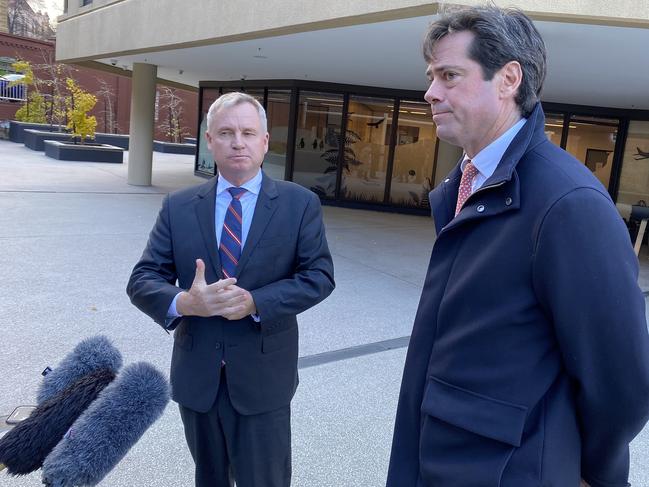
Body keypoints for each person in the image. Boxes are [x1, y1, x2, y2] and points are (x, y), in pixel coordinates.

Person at [386, 6, 649, 487]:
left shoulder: (569, 205)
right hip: (441, 457)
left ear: (508, 78)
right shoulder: (464, 184)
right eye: (431, 76)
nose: (430, 92)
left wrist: (594, 473)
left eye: (449, 75)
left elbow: (621, 382)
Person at [127, 92, 335, 487]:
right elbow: (142, 279)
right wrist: (185, 302)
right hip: (198, 378)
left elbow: (319, 276)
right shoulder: (179, 206)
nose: (237, 142)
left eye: (247, 132)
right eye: (226, 132)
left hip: (263, 378)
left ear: (265, 141)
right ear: (209, 141)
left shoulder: (299, 204)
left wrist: (257, 301)